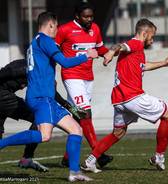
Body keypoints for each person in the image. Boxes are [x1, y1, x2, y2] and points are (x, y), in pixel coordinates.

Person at [0, 11, 98, 182]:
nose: (57, 30)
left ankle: (74, 173)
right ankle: (2, 144)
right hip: (40, 98)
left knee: (76, 130)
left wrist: (71, 108)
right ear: (51, 25)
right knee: (44, 136)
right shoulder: (45, 40)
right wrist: (86, 55)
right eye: (56, 27)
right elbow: (65, 62)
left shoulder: (34, 43)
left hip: (47, 99)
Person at [83, 18, 168, 173]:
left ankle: (91, 161)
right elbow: (119, 46)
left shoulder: (137, 51)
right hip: (132, 96)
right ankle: (159, 157)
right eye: (152, 36)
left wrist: (163, 63)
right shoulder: (136, 43)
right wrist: (111, 52)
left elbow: (144, 66)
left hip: (119, 100)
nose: (152, 40)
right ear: (145, 33)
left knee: (118, 132)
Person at [0, 59, 86, 172]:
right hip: (3, 97)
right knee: (38, 116)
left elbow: (53, 93)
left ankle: (27, 158)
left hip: (5, 97)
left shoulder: (40, 70)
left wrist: (72, 108)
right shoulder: (24, 67)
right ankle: (27, 158)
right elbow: (4, 73)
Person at [55, 1, 113, 168]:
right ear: (77, 16)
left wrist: (109, 53)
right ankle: (98, 154)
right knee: (85, 113)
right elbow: (53, 51)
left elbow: (100, 49)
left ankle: (67, 158)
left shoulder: (95, 28)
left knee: (78, 117)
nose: (89, 19)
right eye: (85, 17)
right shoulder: (64, 30)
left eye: (91, 16)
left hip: (88, 78)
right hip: (72, 77)